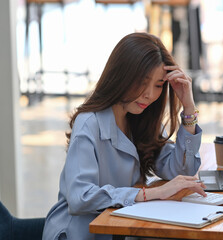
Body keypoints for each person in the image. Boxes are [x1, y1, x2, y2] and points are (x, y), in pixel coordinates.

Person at [42, 32, 206, 240]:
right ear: (122, 75)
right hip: (79, 233)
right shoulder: (89, 123)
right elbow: (80, 197)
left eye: (157, 85)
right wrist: (150, 194)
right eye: (142, 82)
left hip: (120, 226)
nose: (149, 94)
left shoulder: (142, 117)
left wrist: (189, 108)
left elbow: (181, 171)